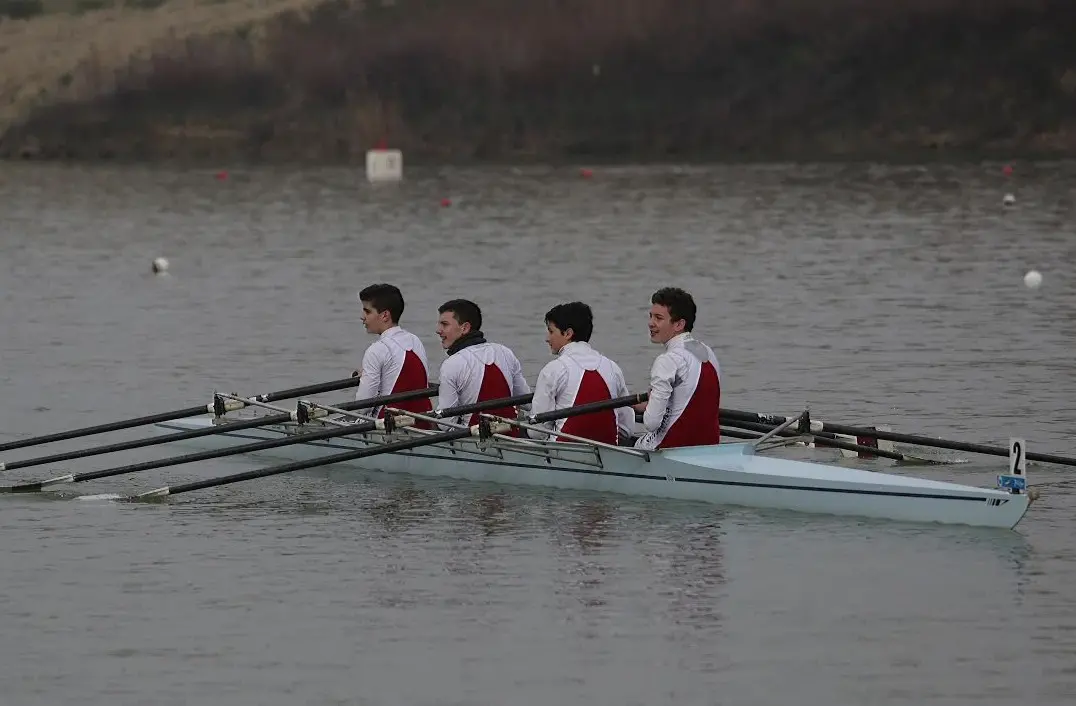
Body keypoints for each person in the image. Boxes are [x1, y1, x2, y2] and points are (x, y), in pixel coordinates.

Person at [528, 301, 634, 444]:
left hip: (562, 455)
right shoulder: (612, 368)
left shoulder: (553, 370)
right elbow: (626, 430)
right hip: (609, 454)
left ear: (568, 333)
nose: (547, 338)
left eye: (551, 331)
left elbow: (537, 432)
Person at [633, 287, 721, 450]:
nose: (651, 323)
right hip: (710, 448)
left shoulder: (668, 360)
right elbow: (687, 399)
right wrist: (644, 405)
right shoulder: (708, 353)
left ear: (679, 324)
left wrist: (647, 410)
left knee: (619, 437)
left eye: (658, 318)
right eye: (651, 316)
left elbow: (651, 423)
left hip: (669, 449)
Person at [435, 298, 530, 431]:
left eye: (444, 324)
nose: (438, 330)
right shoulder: (504, 351)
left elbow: (445, 424)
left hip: (474, 441)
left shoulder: (452, 364)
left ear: (465, 328)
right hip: (512, 434)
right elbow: (527, 402)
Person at [353, 283, 434, 428]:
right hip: (424, 425)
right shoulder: (415, 340)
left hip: (389, 429)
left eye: (367, 311)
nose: (362, 317)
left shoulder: (377, 350)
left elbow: (361, 407)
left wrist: (366, 377)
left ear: (385, 315)